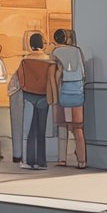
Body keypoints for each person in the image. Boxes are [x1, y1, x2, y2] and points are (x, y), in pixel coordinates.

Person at [16, 32, 60, 171]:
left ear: (30, 44)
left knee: (29, 130)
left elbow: (20, 79)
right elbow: (52, 80)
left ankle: (29, 161)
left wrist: (26, 88)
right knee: (41, 130)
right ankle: (42, 162)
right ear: (42, 44)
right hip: (43, 97)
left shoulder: (25, 61)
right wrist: (54, 99)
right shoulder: (49, 61)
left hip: (28, 96)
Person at [50, 29, 87, 169]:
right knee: (78, 128)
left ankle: (62, 159)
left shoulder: (54, 53)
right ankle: (82, 160)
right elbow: (83, 73)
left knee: (62, 127)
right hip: (77, 94)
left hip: (62, 94)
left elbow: (53, 75)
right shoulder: (77, 51)